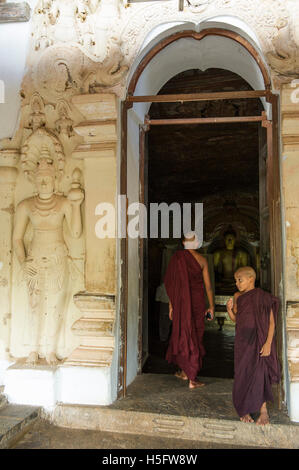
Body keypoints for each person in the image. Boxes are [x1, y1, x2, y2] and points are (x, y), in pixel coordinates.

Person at [226, 266, 281, 425]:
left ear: (251, 279)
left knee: (260, 373)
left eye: (240, 280)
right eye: (236, 280)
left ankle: (263, 411)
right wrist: (229, 310)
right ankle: (244, 409)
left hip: (260, 340)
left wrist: (268, 343)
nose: (237, 283)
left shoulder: (263, 297)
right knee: (243, 373)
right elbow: (237, 320)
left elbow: (271, 322)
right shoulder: (238, 296)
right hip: (243, 341)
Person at [164, 231, 214, 389]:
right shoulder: (202, 260)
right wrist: (211, 306)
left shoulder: (177, 258)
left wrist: (171, 305)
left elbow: (171, 285)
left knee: (184, 333)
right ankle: (192, 378)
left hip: (182, 304)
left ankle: (186, 373)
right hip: (197, 302)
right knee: (195, 336)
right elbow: (208, 287)